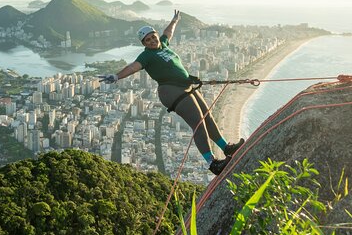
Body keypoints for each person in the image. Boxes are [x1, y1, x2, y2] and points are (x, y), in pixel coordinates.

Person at [99, 10, 244, 175]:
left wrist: (174, 20)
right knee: (198, 123)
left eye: (153, 36)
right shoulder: (147, 56)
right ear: (144, 43)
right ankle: (212, 163)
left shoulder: (163, 43)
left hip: (185, 85)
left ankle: (226, 147)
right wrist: (117, 76)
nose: (152, 40)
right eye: (148, 40)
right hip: (170, 90)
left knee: (207, 116)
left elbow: (168, 32)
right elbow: (133, 67)